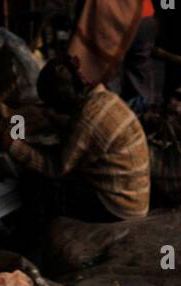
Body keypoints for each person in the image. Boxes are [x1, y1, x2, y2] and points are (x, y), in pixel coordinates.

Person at [8, 54, 151, 221]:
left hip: (119, 207)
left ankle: (35, 238)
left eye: (54, 105)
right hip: (133, 196)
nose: (53, 110)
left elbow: (56, 168)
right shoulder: (105, 97)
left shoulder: (87, 119)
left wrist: (12, 145)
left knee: (35, 182)